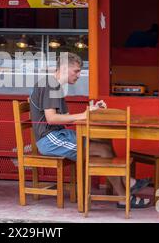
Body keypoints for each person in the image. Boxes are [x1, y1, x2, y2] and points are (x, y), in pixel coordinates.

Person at [30, 52, 150, 208]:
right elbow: (52, 118)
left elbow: (66, 117)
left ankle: (126, 190)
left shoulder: (57, 86)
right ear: (65, 68)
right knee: (100, 150)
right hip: (49, 139)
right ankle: (127, 189)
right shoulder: (50, 84)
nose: (79, 75)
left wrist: (92, 110)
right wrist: (84, 114)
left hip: (61, 134)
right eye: (77, 71)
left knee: (104, 146)